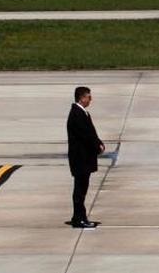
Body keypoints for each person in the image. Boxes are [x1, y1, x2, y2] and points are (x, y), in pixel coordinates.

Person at [67, 86, 104, 229]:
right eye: (88, 97)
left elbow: (91, 133)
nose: (90, 99)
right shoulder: (77, 114)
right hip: (80, 159)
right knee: (80, 190)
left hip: (84, 158)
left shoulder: (82, 113)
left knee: (82, 189)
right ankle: (78, 218)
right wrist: (97, 147)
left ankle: (80, 217)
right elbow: (85, 136)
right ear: (81, 98)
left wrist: (99, 142)